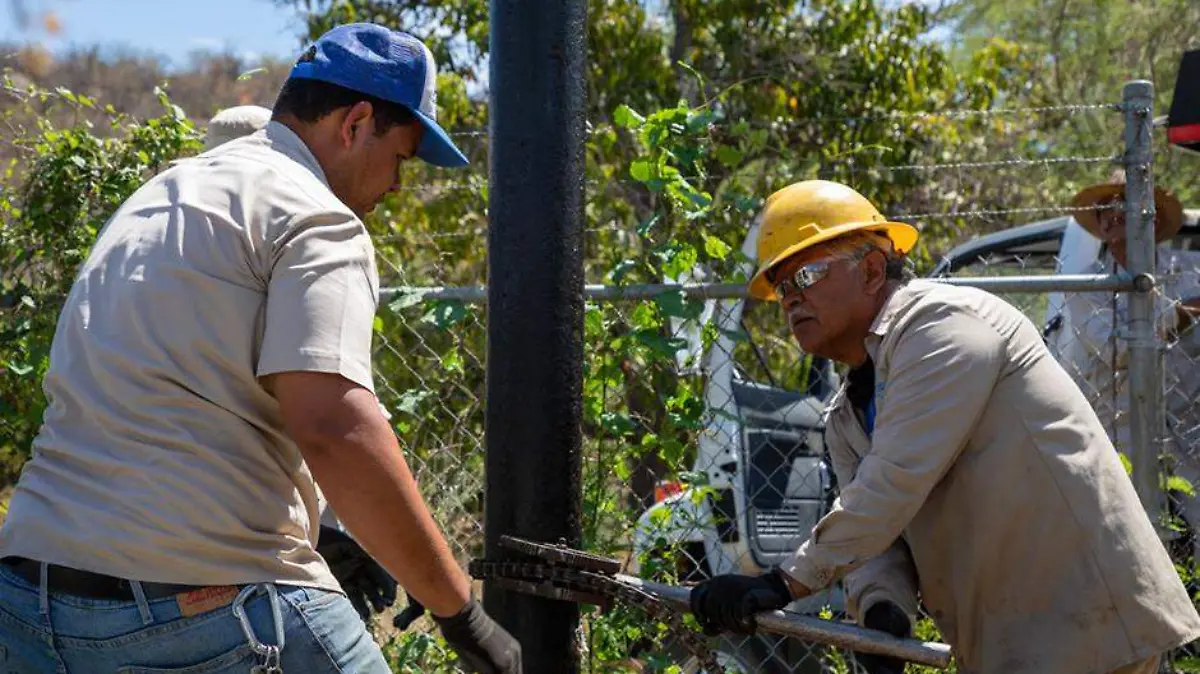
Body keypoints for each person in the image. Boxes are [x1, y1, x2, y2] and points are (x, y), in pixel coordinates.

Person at [0, 23, 520, 674]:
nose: (395, 186)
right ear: (356, 124)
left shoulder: (158, 197)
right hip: (200, 604)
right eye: (402, 159)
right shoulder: (319, 218)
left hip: (28, 603)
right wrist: (460, 613)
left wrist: (324, 521)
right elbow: (334, 427)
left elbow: (180, 393)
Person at [687, 179, 1200, 674]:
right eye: (781, 288)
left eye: (804, 276)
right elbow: (874, 539)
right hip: (1019, 635)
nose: (792, 299)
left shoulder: (942, 326)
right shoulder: (846, 414)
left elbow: (894, 480)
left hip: (1085, 618)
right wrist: (883, 615)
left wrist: (785, 583)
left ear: (870, 271)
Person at [1053, 170, 1200, 560]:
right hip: (1119, 442)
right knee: (1130, 549)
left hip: (1190, 439)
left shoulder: (1189, 270)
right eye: (1106, 209)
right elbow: (1120, 350)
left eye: (1126, 205)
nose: (1114, 215)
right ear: (1099, 226)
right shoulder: (1087, 287)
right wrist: (1184, 316)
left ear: (1151, 217)